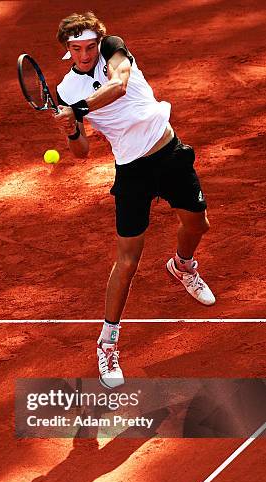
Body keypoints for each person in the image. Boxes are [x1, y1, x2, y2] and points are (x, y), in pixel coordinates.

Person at [54, 11, 215, 389]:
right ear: (66, 50)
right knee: (127, 261)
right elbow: (80, 152)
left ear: (100, 42)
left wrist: (78, 111)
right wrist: (70, 130)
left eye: (90, 45)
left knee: (198, 224)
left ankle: (182, 265)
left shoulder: (114, 49)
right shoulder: (66, 89)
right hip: (132, 171)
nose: (85, 54)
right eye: (76, 48)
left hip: (170, 152)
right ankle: (107, 342)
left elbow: (120, 86)